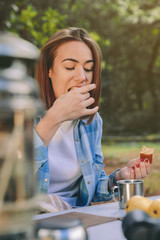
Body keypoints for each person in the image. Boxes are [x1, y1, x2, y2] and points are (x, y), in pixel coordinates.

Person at [34, 27, 151, 212]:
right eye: (70, 67)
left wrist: (120, 176)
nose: (82, 77)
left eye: (88, 68)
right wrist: (54, 117)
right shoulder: (20, 116)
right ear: (49, 70)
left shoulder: (92, 123)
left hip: (76, 217)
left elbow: (93, 188)